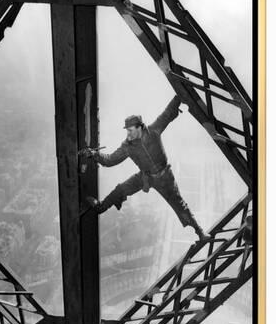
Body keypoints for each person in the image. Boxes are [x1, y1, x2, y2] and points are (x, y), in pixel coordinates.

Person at [86, 95, 209, 242]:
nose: (128, 134)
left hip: (165, 178)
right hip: (146, 177)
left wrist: (179, 94)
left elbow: (168, 113)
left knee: (180, 205)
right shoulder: (127, 146)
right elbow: (110, 160)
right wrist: (94, 154)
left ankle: (200, 232)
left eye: (130, 130)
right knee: (121, 189)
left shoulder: (154, 130)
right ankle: (101, 207)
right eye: (127, 131)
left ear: (140, 127)